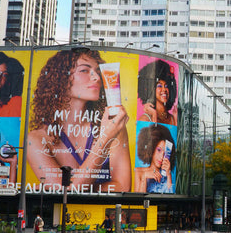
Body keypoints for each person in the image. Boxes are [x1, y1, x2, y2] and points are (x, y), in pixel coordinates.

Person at [27, 49, 131, 191]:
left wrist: (78, 185)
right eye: (84, 71)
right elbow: (63, 191)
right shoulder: (35, 139)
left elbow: (123, 187)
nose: (97, 78)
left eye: (97, 72)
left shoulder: (113, 125)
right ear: (60, 78)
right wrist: (105, 139)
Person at [134, 124, 176, 193]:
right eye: (159, 150)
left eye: (165, 153)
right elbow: (138, 201)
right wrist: (144, 178)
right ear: (152, 149)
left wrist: (169, 175)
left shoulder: (166, 176)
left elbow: (170, 198)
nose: (161, 157)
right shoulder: (138, 172)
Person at [138, 59, 178, 126]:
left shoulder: (173, 118)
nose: (164, 89)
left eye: (166, 86)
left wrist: (176, 119)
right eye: (159, 85)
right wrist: (154, 115)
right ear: (150, 89)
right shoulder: (145, 119)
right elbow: (154, 135)